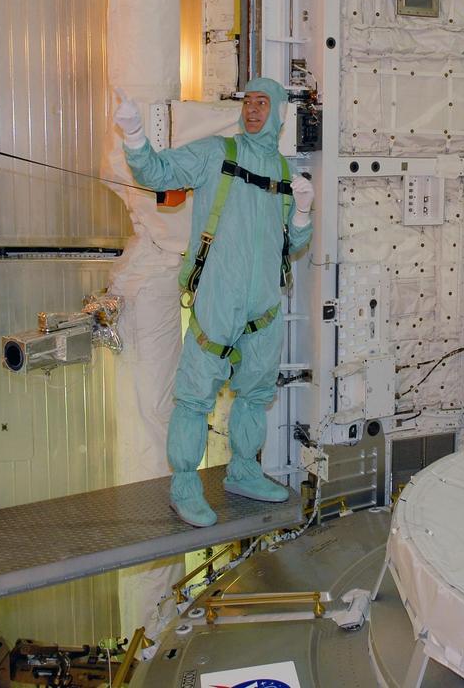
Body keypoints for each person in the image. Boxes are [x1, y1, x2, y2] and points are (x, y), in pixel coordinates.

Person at [114, 78, 314, 527]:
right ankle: (184, 484)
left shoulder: (284, 174)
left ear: (280, 112)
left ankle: (243, 470)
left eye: (264, 103)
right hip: (218, 301)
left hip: (263, 307)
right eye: (249, 102)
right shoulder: (215, 155)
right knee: (194, 396)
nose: (253, 110)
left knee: (256, 391)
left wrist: (302, 213)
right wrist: (134, 136)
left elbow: (293, 244)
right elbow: (157, 173)